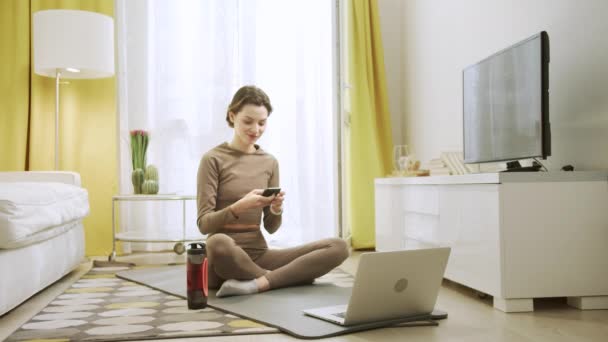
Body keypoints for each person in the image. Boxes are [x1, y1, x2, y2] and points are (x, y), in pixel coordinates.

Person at [197, 85, 349, 297]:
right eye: (248, 121)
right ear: (232, 116)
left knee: (339, 246)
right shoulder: (213, 159)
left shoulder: (269, 162)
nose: (256, 129)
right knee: (217, 242)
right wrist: (240, 206)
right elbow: (204, 224)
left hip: (259, 254)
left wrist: (276, 210)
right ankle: (279, 279)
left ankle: (258, 283)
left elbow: (271, 227)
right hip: (223, 259)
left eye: (262, 122)